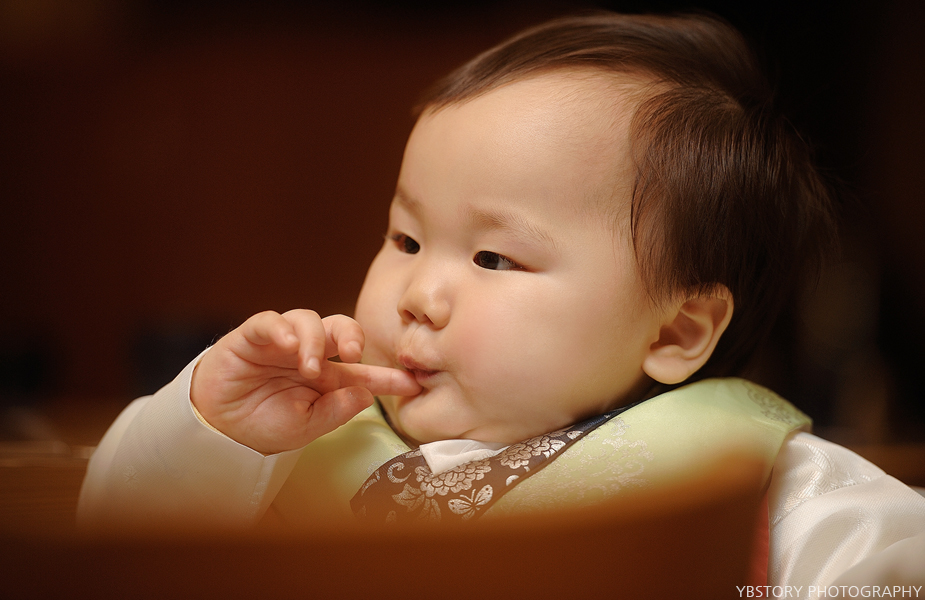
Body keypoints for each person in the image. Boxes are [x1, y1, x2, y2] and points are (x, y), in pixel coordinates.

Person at [78, 11, 925, 589]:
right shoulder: (293, 454)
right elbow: (115, 548)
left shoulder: (774, 496)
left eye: (493, 257)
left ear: (675, 330)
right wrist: (214, 427)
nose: (418, 295)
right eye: (405, 239)